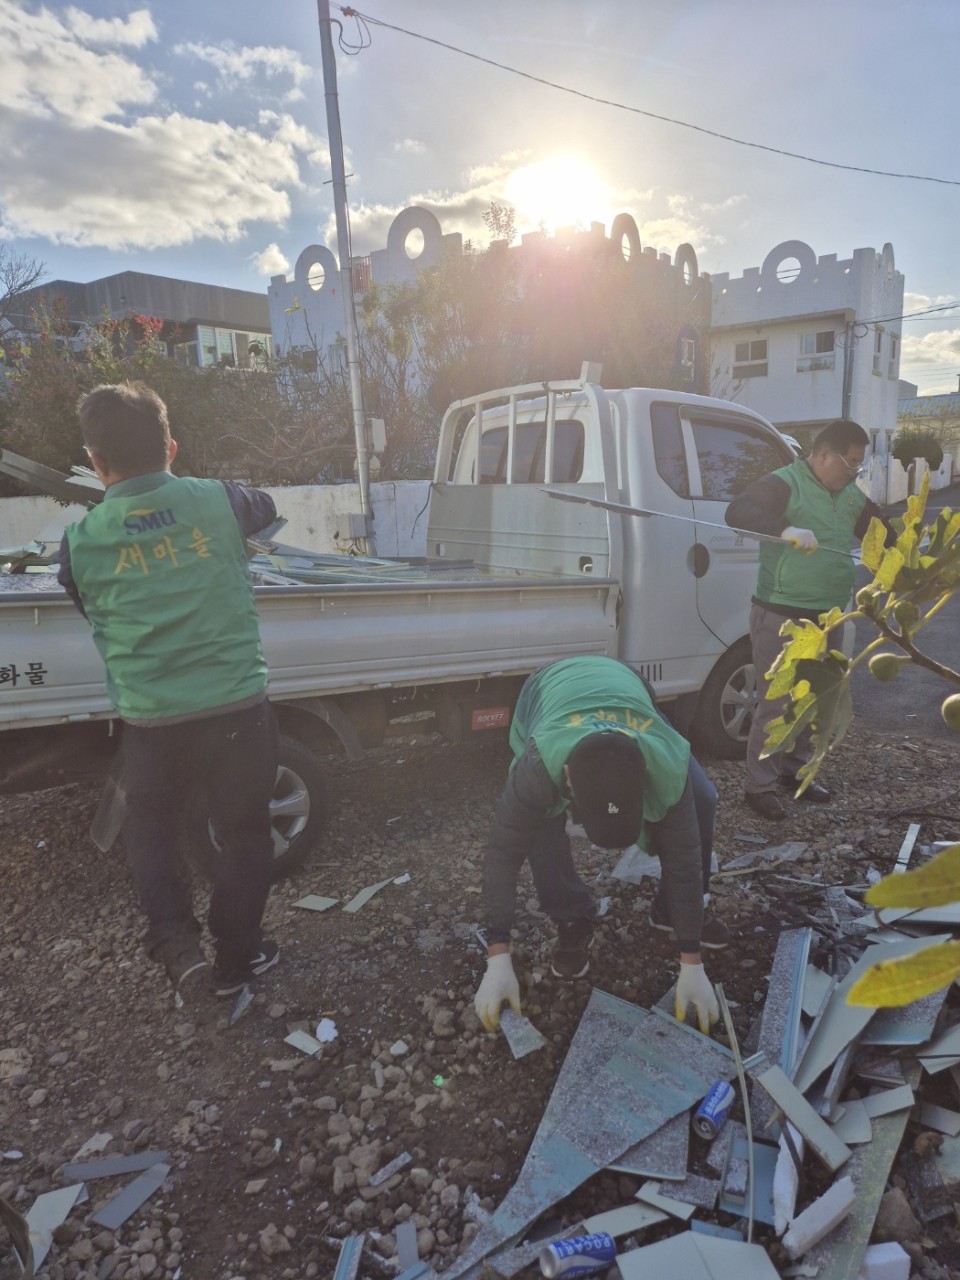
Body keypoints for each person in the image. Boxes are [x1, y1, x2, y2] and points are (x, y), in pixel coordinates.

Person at [58, 381, 281, 1001]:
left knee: (151, 831)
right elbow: (263, 506)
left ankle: (178, 947)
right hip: (238, 709)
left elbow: (88, 604)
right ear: (172, 447)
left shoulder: (78, 544)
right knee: (244, 836)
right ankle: (238, 957)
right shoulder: (223, 502)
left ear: (96, 464)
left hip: (152, 723)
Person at [473, 655, 727, 1035]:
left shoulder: (662, 760)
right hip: (546, 688)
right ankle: (571, 916)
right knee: (538, 826)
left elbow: (685, 857)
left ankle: (669, 910)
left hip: (626, 683)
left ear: (645, 776)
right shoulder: (538, 767)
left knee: (701, 799)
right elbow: (503, 852)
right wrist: (497, 955)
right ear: (568, 780)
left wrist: (692, 962)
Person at [726, 419, 894, 822]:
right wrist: (785, 529)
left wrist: (906, 559)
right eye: (850, 462)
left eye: (859, 464)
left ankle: (796, 773)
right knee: (776, 702)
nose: (855, 471)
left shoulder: (851, 494)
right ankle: (759, 787)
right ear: (822, 455)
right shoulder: (785, 483)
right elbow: (738, 511)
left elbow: (880, 533)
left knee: (815, 700)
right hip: (782, 614)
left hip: (831, 614)